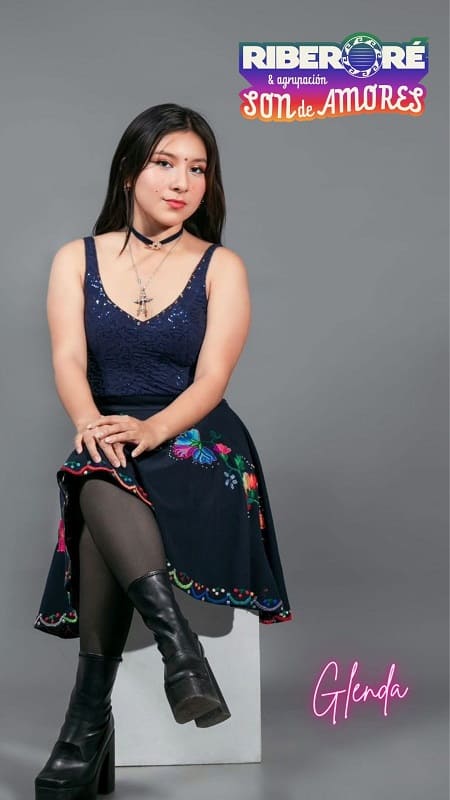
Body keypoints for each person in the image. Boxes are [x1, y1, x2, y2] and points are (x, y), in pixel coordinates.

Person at [33, 102, 293, 798]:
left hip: (197, 438)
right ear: (128, 171)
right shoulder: (75, 259)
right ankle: (183, 657)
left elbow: (212, 381)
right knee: (97, 465)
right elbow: (67, 358)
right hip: (111, 427)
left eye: (198, 169)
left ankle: (86, 723)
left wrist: (151, 430)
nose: (182, 182)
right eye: (164, 163)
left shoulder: (220, 266)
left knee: (98, 480)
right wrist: (89, 419)